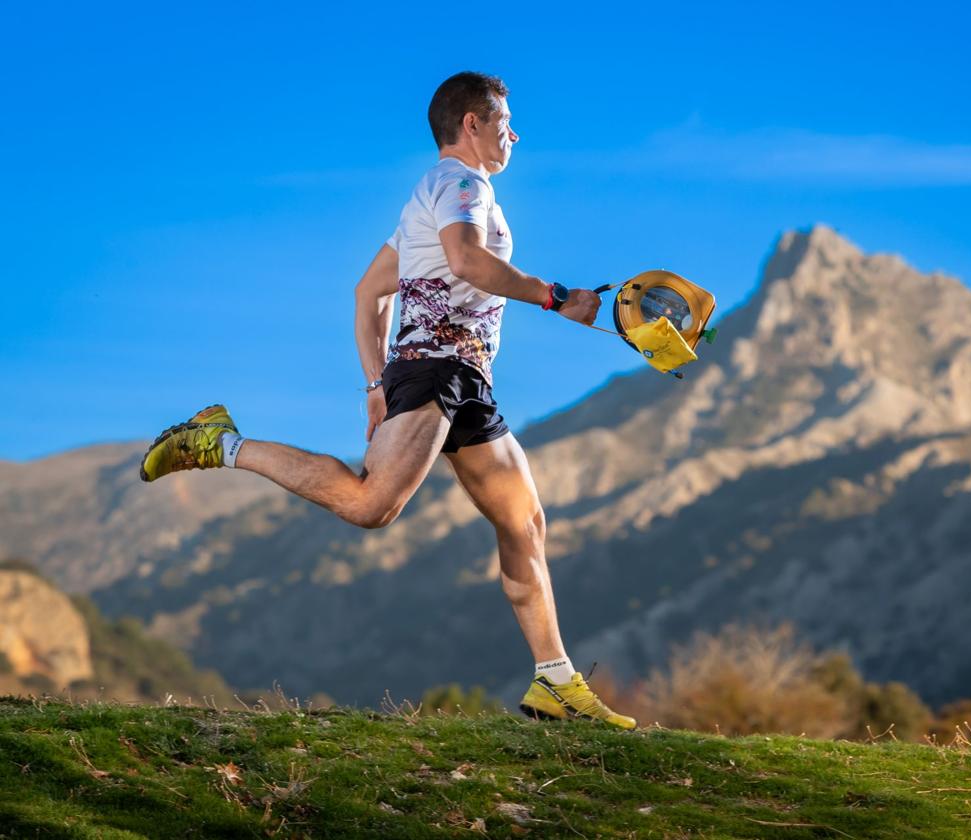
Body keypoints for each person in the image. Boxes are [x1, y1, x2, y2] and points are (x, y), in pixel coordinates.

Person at [139, 71, 635, 730]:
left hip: (461, 380)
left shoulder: (429, 197)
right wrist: (556, 297)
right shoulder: (462, 186)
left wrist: (375, 386)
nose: (514, 133)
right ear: (471, 125)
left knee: (524, 522)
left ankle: (554, 680)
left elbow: (366, 292)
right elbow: (465, 262)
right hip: (435, 371)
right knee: (371, 505)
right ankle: (219, 442)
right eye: (504, 121)